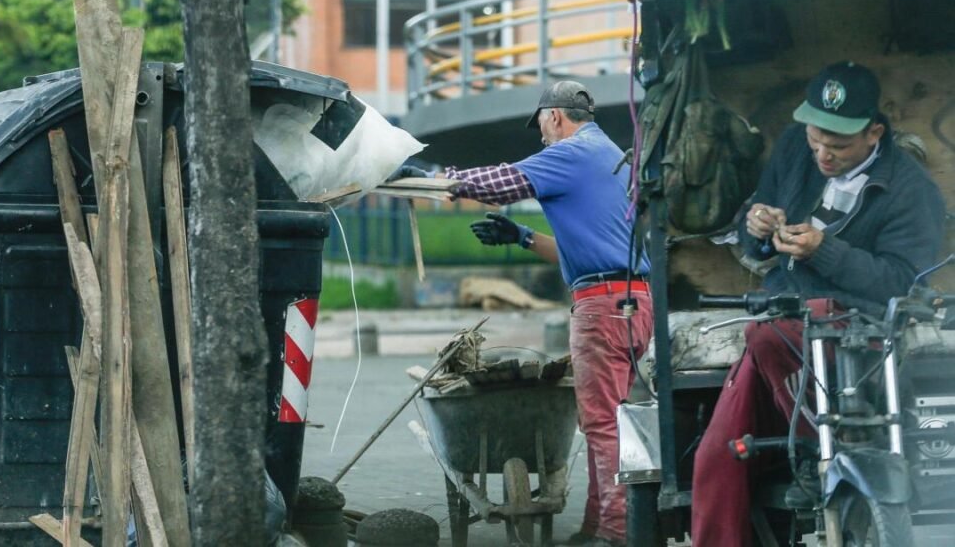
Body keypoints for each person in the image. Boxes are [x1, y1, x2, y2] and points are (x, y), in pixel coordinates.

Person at [690, 61, 946, 546]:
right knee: (717, 459)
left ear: (874, 133)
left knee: (767, 334)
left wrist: (823, 250)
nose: (823, 155)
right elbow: (756, 229)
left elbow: (898, 281)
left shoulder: (914, 193)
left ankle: (814, 449)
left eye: (839, 145)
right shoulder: (793, 147)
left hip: (855, 336)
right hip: (782, 320)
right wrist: (758, 224)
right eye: (816, 141)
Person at [391, 80, 652, 547]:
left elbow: (501, 182)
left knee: (602, 424)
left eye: (542, 128)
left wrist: (437, 179)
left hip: (602, 309)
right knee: (612, 419)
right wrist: (522, 237)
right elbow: (587, 251)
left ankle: (617, 533)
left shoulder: (572, 152)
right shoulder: (608, 155)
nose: (542, 138)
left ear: (554, 116)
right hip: (631, 301)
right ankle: (598, 524)